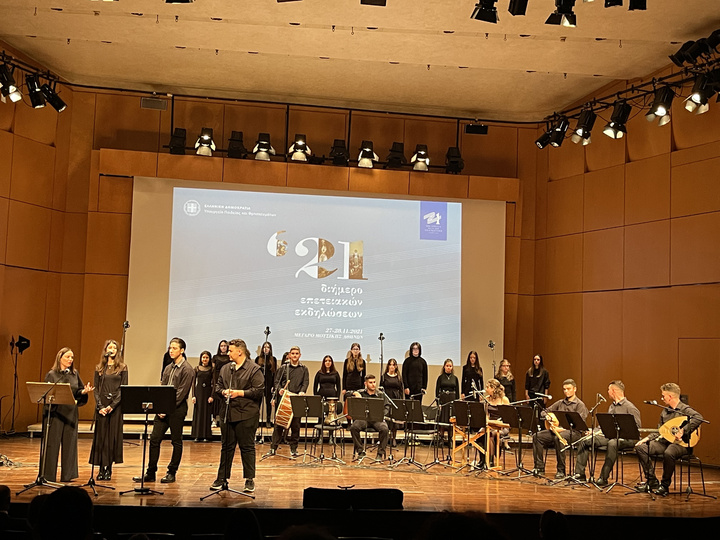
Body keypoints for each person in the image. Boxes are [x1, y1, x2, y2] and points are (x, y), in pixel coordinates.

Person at [134, 337, 194, 484]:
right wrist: (159, 407)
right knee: (154, 439)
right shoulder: (168, 368)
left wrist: (166, 408)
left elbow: (181, 393)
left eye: (174, 348)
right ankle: (150, 472)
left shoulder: (187, 369)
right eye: (170, 348)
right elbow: (162, 389)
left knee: (176, 441)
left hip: (176, 409)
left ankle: (171, 472)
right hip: (163, 409)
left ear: (182, 350)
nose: (171, 350)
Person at [211, 339, 264, 493]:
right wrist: (223, 392)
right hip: (228, 413)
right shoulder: (226, 368)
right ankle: (222, 478)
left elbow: (258, 391)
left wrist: (239, 393)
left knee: (247, 447)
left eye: (231, 350)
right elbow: (217, 387)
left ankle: (249, 479)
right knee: (226, 447)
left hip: (247, 414)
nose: (228, 353)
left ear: (239, 352)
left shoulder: (254, 369)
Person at [635, 382, 704, 496]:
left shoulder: (685, 409)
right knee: (641, 448)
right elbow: (660, 430)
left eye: (663, 396)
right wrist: (646, 438)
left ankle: (664, 485)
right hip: (665, 442)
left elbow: (699, 418)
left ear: (670, 396)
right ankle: (652, 480)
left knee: (669, 452)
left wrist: (683, 430)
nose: (662, 398)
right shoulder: (665, 411)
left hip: (682, 444)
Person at [572, 380, 641, 485]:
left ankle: (603, 478)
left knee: (612, 443)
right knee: (585, 440)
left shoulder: (630, 408)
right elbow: (605, 426)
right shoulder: (612, 406)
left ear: (613, 391)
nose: (607, 392)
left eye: (608, 390)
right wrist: (593, 431)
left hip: (626, 439)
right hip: (610, 436)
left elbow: (637, 428)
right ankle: (579, 474)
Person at [43, 347, 93, 483]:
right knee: (52, 445)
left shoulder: (74, 374)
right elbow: (46, 394)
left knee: (70, 445)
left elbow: (78, 391)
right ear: (60, 358)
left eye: (72, 357)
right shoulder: (52, 374)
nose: (70, 359)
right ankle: (48, 475)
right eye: (68, 357)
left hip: (70, 413)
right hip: (55, 414)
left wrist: (84, 392)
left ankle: (68, 475)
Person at [532, 378, 588, 478]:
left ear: (575, 389)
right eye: (564, 389)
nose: (566, 391)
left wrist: (562, 430)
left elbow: (580, 426)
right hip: (556, 431)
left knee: (559, 438)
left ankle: (561, 470)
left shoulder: (580, 405)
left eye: (568, 389)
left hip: (573, 433)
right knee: (537, 436)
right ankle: (539, 467)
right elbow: (544, 411)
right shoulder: (560, 403)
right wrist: (548, 416)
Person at [89, 339, 127, 480]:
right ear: (105, 350)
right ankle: (101, 468)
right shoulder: (100, 368)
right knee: (101, 438)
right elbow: (96, 389)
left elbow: (123, 389)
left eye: (114, 348)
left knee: (111, 438)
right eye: (109, 347)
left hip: (115, 407)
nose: (112, 350)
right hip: (102, 406)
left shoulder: (122, 367)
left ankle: (108, 468)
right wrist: (100, 406)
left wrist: (112, 406)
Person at [268, 346, 309, 457]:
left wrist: (302, 391)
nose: (294, 355)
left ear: (300, 355)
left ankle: (294, 449)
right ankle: (273, 448)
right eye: (293, 353)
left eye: (297, 353)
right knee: (279, 425)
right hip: (284, 399)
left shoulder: (304, 369)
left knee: (295, 426)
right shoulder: (283, 368)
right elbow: (277, 381)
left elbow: (305, 382)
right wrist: (280, 389)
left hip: (296, 400)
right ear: (289, 355)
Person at [350, 374, 390, 459]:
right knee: (354, 427)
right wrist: (354, 393)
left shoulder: (381, 394)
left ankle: (380, 453)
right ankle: (360, 451)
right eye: (370, 382)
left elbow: (387, 406)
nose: (373, 384)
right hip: (364, 419)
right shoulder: (361, 393)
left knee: (385, 429)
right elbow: (346, 394)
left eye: (374, 382)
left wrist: (382, 414)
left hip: (377, 419)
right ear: (365, 384)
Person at [484, 378, 511, 464]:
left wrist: (499, 424)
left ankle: (490, 460)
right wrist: (488, 421)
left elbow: (508, 417)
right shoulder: (487, 399)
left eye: (487, 387)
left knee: (491, 434)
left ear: (493, 388)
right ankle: (483, 460)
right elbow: (486, 415)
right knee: (481, 433)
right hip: (490, 424)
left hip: (502, 426)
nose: (486, 389)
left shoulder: (504, 399)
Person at [435, 359, 459, 445]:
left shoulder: (455, 378)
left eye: (450, 366)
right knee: (443, 419)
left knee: (450, 419)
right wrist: (438, 403)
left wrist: (457, 403)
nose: (448, 368)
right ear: (444, 367)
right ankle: (441, 438)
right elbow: (437, 390)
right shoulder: (440, 378)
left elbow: (457, 391)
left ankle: (450, 439)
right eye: (447, 366)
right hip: (443, 400)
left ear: (452, 367)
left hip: (452, 400)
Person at [380, 358, 404, 446]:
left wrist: (401, 401)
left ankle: (394, 438)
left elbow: (401, 389)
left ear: (396, 366)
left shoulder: (398, 377)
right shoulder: (384, 376)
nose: (392, 367)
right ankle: (385, 439)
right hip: (387, 398)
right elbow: (381, 389)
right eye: (390, 365)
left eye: (393, 365)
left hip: (395, 399)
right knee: (386, 419)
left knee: (394, 420)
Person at [191, 350, 214, 441]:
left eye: (207, 357)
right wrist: (193, 396)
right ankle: (197, 435)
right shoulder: (196, 368)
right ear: (201, 358)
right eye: (203, 357)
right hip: (199, 392)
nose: (205, 359)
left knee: (206, 414)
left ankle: (206, 435)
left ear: (209, 359)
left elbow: (214, 383)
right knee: (198, 413)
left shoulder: (212, 369)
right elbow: (193, 383)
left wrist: (212, 396)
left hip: (207, 392)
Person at [255, 341, 277, 427]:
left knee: (268, 403)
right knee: (258, 403)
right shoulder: (258, 359)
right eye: (264, 347)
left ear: (270, 349)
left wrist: (273, 386)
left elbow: (274, 373)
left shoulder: (273, 359)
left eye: (268, 347)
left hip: (269, 384)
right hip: (260, 384)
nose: (266, 349)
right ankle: (256, 420)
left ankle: (268, 420)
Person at [212, 340, 231, 425]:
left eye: (225, 346)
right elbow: (213, 369)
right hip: (217, 378)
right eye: (221, 346)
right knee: (216, 399)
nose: (223, 347)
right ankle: (214, 419)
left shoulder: (229, 357)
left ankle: (223, 419)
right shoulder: (215, 357)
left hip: (226, 378)